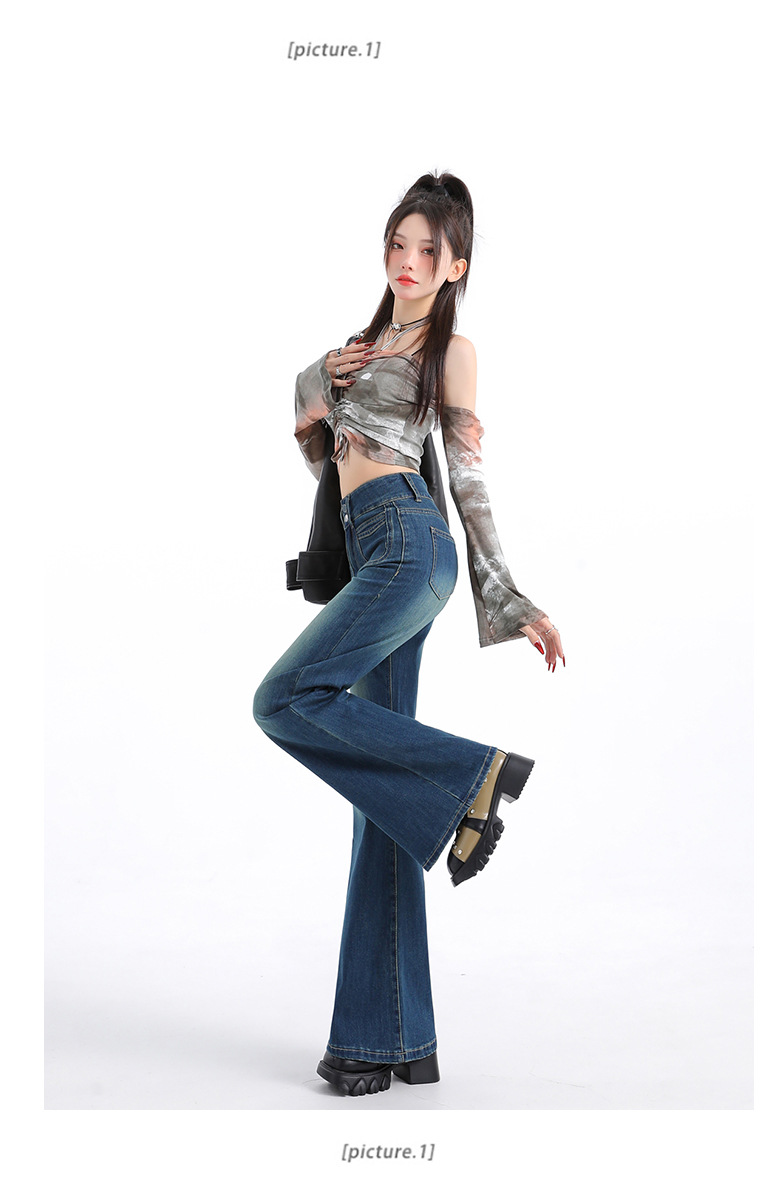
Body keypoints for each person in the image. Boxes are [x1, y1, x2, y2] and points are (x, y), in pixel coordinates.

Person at [252, 172, 565, 1098]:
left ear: (456, 264)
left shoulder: (449, 351)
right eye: (399, 243)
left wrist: (511, 595)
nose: (410, 261)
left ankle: (472, 778)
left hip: (410, 544)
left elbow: (466, 479)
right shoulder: (358, 350)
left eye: (430, 250)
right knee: (382, 806)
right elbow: (318, 446)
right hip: (367, 546)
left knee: (283, 699)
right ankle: (390, 1039)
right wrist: (320, 381)